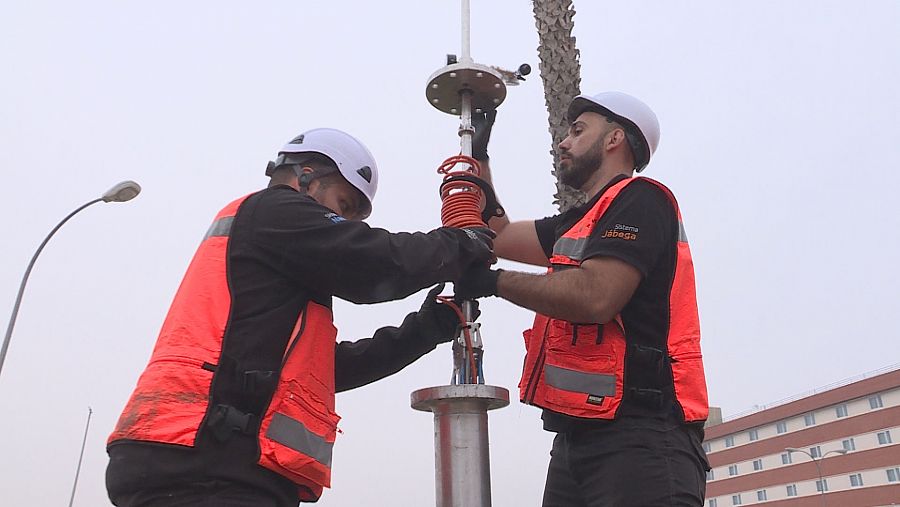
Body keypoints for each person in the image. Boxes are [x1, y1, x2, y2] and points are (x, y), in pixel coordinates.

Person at [105, 128, 495, 506]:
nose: (346, 224)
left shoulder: (278, 267)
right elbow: (368, 262)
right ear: (307, 176)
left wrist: (424, 330)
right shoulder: (273, 209)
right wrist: (459, 246)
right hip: (203, 462)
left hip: (209, 459)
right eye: (343, 207)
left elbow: (324, 371)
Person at [455, 92, 711, 506]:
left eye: (577, 131)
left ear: (614, 140)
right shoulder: (579, 221)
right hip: (578, 440)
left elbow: (595, 297)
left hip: (642, 436)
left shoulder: (642, 199)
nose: (563, 141)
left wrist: (492, 282)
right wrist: (479, 157)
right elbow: (499, 236)